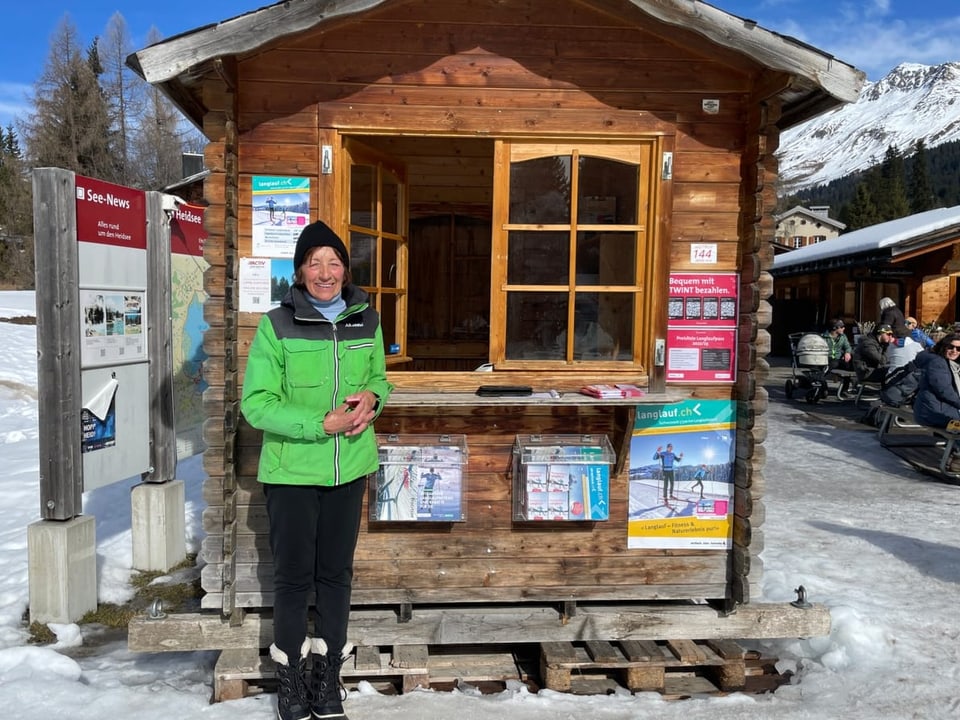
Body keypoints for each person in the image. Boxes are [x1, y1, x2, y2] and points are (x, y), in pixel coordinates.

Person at [240, 220, 393, 720]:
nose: (325, 272)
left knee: (335, 576)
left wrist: (374, 398)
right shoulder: (276, 324)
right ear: (300, 271)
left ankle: (327, 680)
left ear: (345, 270)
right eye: (314, 262)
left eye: (333, 262)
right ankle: (290, 684)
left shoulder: (366, 320)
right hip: (291, 474)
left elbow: (378, 380)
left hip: (349, 470)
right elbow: (257, 405)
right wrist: (318, 423)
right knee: (291, 578)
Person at [912, 333, 960, 429]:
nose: (954, 351)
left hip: (929, 408)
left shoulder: (938, 359)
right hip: (934, 412)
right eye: (951, 347)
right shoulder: (938, 363)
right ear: (943, 346)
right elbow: (944, 390)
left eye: (959, 349)